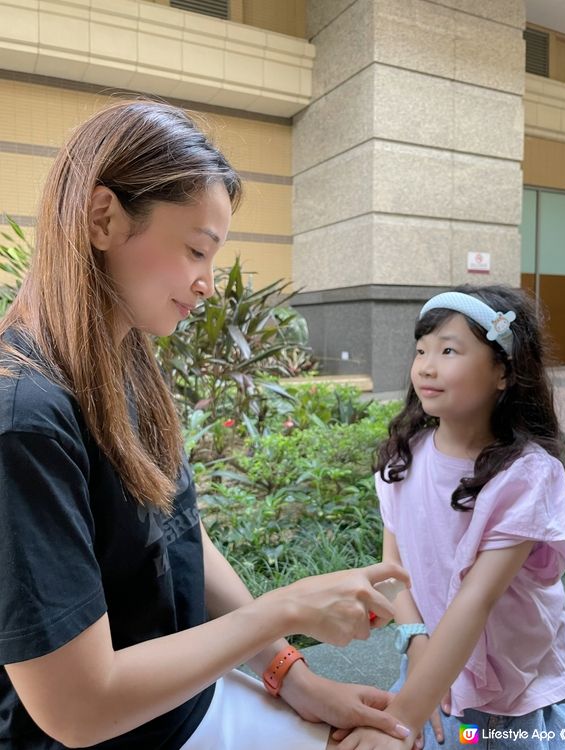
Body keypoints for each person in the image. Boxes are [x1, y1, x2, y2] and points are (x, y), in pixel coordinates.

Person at [0, 99, 413, 750]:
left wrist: (290, 673)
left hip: (187, 709)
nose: (208, 285)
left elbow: (182, 535)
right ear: (102, 217)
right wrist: (288, 608)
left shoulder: (125, 362)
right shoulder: (26, 421)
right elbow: (76, 709)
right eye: (197, 249)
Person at [333, 285, 565, 750]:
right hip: (435, 662)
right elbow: (394, 570)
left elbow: (475, 600)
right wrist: (416, 641)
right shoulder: (405, 460)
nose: (426, 366)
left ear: (502, 371)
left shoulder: (525, 478)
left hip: (519, 689)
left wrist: (402, 719)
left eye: (449, 350)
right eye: (421, 350)